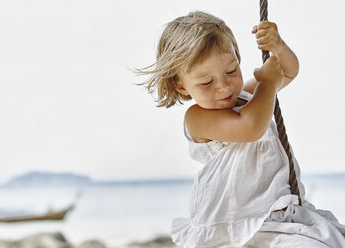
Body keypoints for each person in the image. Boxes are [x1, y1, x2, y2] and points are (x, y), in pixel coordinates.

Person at [138, 11, 345, 247]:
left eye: (231, 71)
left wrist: (277, 46)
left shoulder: (249, 97)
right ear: (181, 86)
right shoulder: (197, 118)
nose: (224, 86)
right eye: (207, 82)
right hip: (238, 225)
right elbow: (249, 127)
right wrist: (267, 83)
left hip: (280, 214)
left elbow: (288, 71)